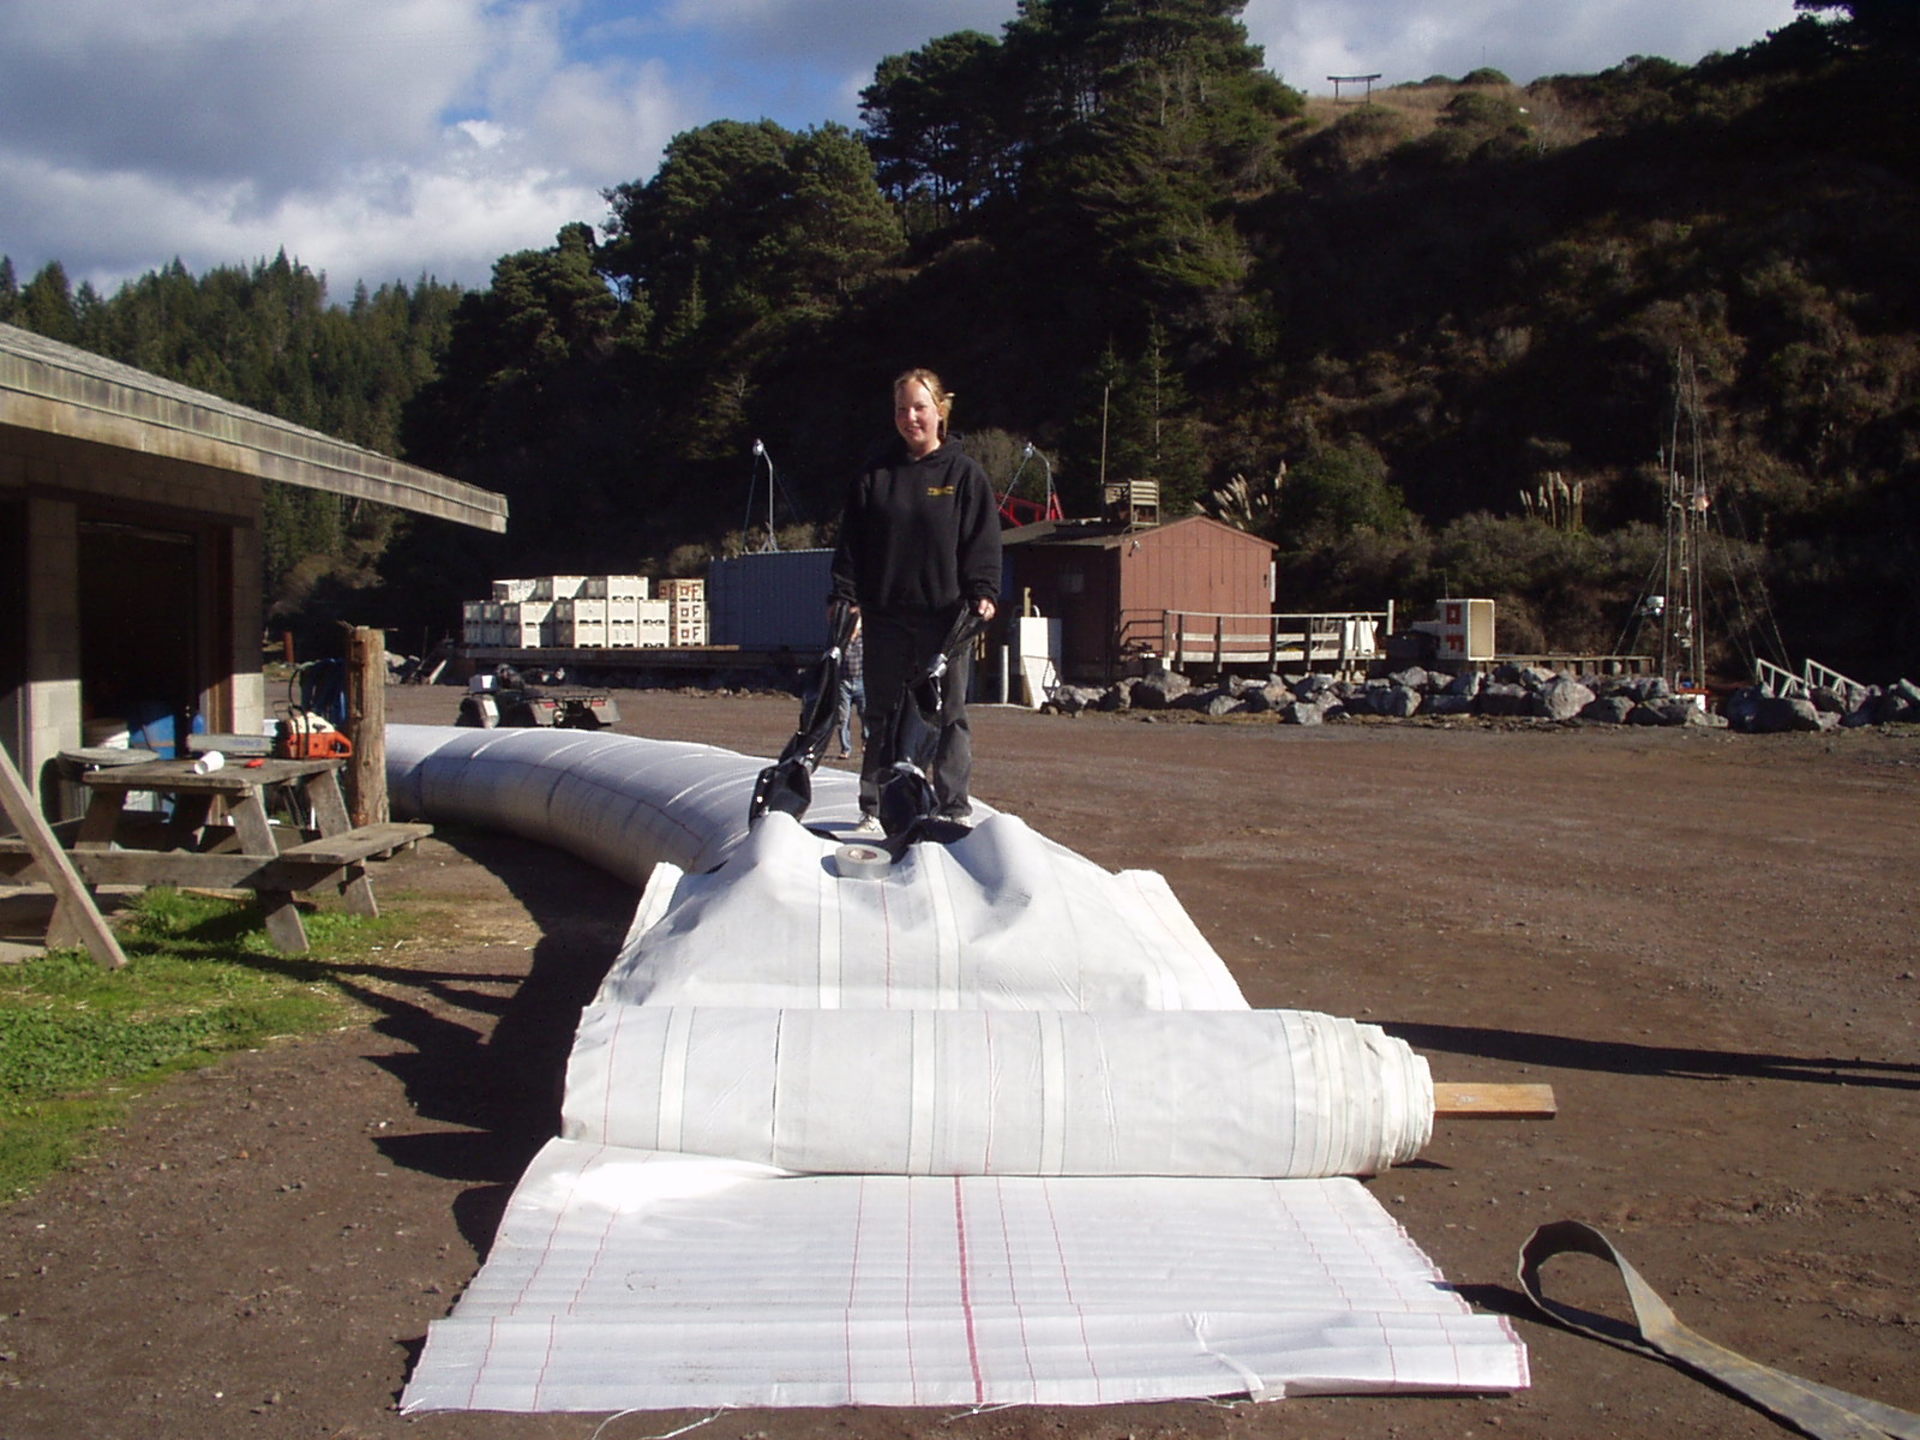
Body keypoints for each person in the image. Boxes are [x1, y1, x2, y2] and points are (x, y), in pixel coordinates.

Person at [830, 368, 1001, 835]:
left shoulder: (963, 475)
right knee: (882, 713)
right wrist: (844, 596)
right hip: (885, 618)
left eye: (920, 408)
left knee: (948, 715)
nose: (910, 417)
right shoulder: (875, 475)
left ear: (940, 411)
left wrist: (983, 593)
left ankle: (951, 804)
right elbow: (851, 545)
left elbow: (982, 543)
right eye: (902, 409)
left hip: (945, 621)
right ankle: (877, 804)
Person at [835, 621, 865, 758]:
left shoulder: (863, 641)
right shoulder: (842, 641)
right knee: (843, 717)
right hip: (844, 683)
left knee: (865, 715)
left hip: (861, 681)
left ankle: (866, 742)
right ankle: (845, 748)